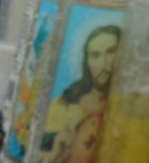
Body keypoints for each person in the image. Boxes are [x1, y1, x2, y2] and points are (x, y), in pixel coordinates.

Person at [39, 25, 121, 162]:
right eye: (95, 55)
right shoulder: (66, 105)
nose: (104, 63)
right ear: (86, 62)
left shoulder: (126, 105)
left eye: (111, 52)